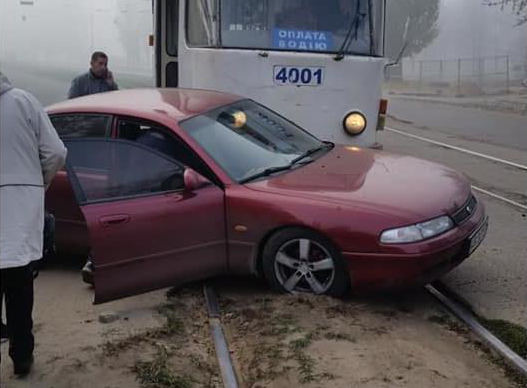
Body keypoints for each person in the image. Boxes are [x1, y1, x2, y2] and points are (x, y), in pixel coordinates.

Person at [0, 71, 67, 376]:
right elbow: (56, 152)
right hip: (19, 212)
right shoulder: (23, 102)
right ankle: (22, 359)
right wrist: (37, 182)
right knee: (19, 290)